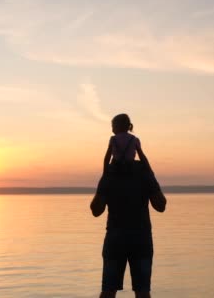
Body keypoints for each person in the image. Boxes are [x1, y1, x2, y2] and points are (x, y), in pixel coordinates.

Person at [90, 113, 167, 298]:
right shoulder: (144, 173)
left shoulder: (109, 175)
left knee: (108, 291)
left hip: (115, 239)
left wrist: (105, 175)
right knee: (142, 292)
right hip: (141, 239)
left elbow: (96, 210)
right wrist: (147, 167)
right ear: (136, 149)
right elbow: (161, 205)